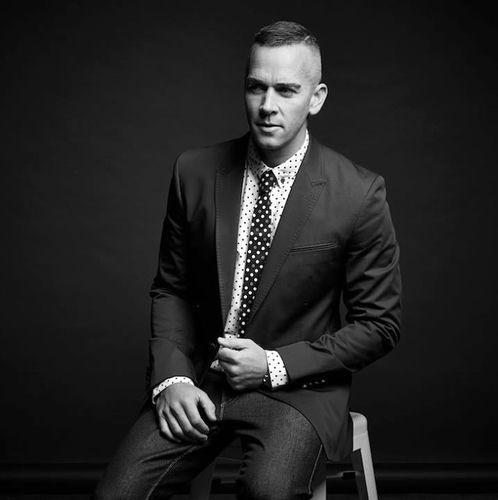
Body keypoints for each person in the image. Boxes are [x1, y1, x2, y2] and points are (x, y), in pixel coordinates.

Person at [95, 20, 402, 500]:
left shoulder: (358, 193)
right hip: (202, 381)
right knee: (116, 495)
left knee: (266, 491)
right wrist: (172, 377)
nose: (267, 105)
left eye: (286, 90)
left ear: (316, 98)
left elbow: (379, 325)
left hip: (300, 390)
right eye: (256, 87)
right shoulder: (194, 172)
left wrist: (274, 364)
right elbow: (171, 287)